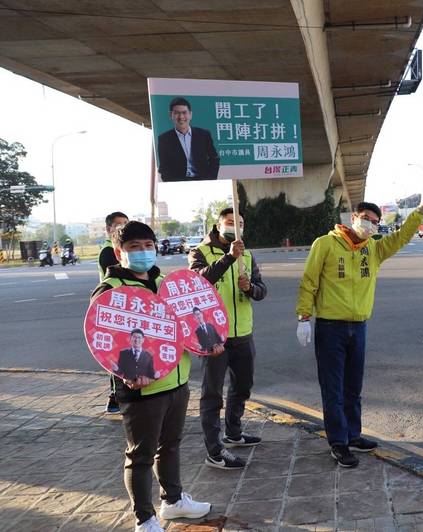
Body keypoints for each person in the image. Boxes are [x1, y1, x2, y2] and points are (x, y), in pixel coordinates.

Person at [295, 187, 423, 468]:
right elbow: (309, 282)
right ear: (353, 217)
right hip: (330, 328)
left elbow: (400, 238)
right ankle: (338, 442)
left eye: (375, 222)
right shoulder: (325, 245)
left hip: (358, 327)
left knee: (353, 387)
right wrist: (304, 318)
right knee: (333, 389)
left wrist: (422, 209)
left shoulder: (373, 249)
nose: (370, 225)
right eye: (366, 218)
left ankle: (353, 434)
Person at [91, 220, 210, 532]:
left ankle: (173, 501)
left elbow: (189, 325)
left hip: (177, 382)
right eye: (134, 248)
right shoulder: (111, 291)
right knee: (141, 455)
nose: (143, 252)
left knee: (170, 445)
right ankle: (144, 519)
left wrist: (208, 342)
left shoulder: (167, 284)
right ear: (119, 253)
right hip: (141, 388)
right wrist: (125, 374)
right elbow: (101, 341)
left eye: (148, 246)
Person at [189, 207, 267, 470]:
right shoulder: (200, 252)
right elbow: (199, 282)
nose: (236, 226)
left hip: (243, 333)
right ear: (218, 224)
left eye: (240, 223)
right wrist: (228, 258)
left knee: (243, 386)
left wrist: (251, 288)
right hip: (212, 337)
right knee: (212, 394)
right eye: (230, 222)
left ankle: (234, 432)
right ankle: (214, 450)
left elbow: (261, 290)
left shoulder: (249, 253)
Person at [99, 211, 129, 414]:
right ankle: (115, 396)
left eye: (126, 224)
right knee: (118, 353)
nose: (123, 228)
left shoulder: (122, 248)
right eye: (119, 225)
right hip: (115, 308)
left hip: (125, 308)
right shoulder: (109, 251)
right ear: (109, 229)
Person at [157, 97, 220, 182]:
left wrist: (210, 179)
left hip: (203, 181)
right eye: (176, 113)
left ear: (190, 114)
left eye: (184, 112)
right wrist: (173, 184)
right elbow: (164, 167)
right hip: (178, 183)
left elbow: (215, 158)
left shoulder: (203, 135)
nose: (181, 116)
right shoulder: (164, 139)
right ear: (170, 115)